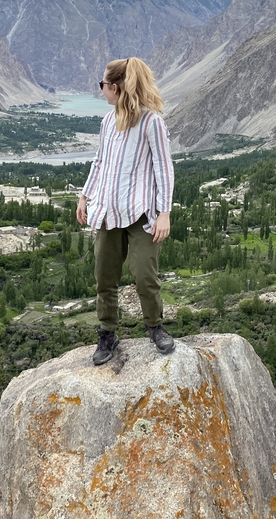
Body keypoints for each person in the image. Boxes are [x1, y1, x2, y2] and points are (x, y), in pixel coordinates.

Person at [76, 57, 175, 365]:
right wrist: (85, 196)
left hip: (142, 213)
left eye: (102, 85)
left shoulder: (151, 122)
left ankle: (155, 327)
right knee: (104, 276)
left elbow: (163, 167)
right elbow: (100, 162)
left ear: (115, 87)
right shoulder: (108, 122)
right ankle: (107, 333)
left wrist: (164, 212)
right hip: (108, 211)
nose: (101, 90)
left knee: (145, 273)